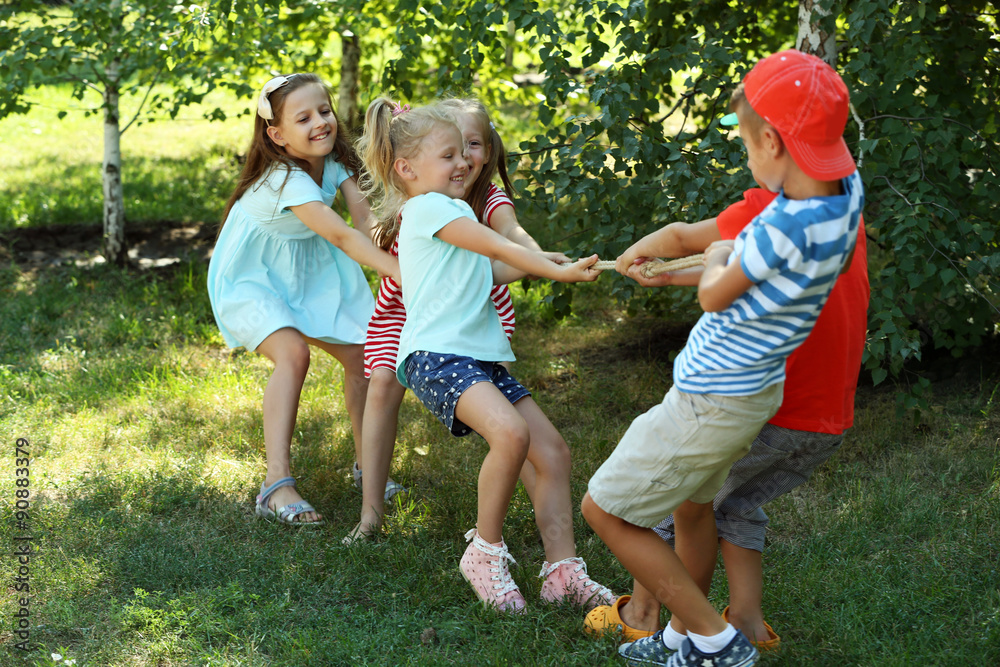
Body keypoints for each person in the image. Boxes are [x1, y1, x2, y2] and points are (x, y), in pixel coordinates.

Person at [580, 49, 864, 667]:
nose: (746, 155)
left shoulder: (781, 225)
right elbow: (755, 272)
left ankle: (715, 639)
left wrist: (714, 257)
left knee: (604, 509)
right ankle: (679, 639)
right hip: (751, 393)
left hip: (712, 396)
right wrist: (677, 268)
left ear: (772, 141)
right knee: (693, 507)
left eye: (746, 142)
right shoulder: (842, 197)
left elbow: (715, 290)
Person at [355, 97, 614, 613]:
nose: (463, 163)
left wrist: (545, 262)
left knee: (552, 452)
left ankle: (563, 572)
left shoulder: (451, 210)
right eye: (448, 155)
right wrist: (550, 268)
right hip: (437, 357)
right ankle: (484, 552)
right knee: (511, 434)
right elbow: (495, 247)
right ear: (407, 169)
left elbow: (490, 269)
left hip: (475, 359)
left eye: (464, 152)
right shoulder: (428, 208)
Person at [207, 73, 399, 526]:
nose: (320, 122)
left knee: (365, 357)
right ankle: (276, 484)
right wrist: (401, 274)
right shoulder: (284, 179)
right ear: (277, 135)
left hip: (310, 271)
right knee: (293, 354)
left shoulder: (334, 160)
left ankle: (367, 465)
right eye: (304, 118)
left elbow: (364, 222)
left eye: (324, 111)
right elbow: (341, 235)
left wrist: (396, 251)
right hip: (253, 276)